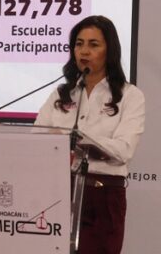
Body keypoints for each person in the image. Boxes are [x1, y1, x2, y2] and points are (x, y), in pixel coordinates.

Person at [35, 15, 145, 254]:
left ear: (110, 50)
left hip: (103, 196)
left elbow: (124, 149)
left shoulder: (130, 95)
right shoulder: (61, 94)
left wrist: (78, 140)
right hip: (57, 191)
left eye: (94, 44)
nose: (84, 51)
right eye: (79, 44)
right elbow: (37, 137)